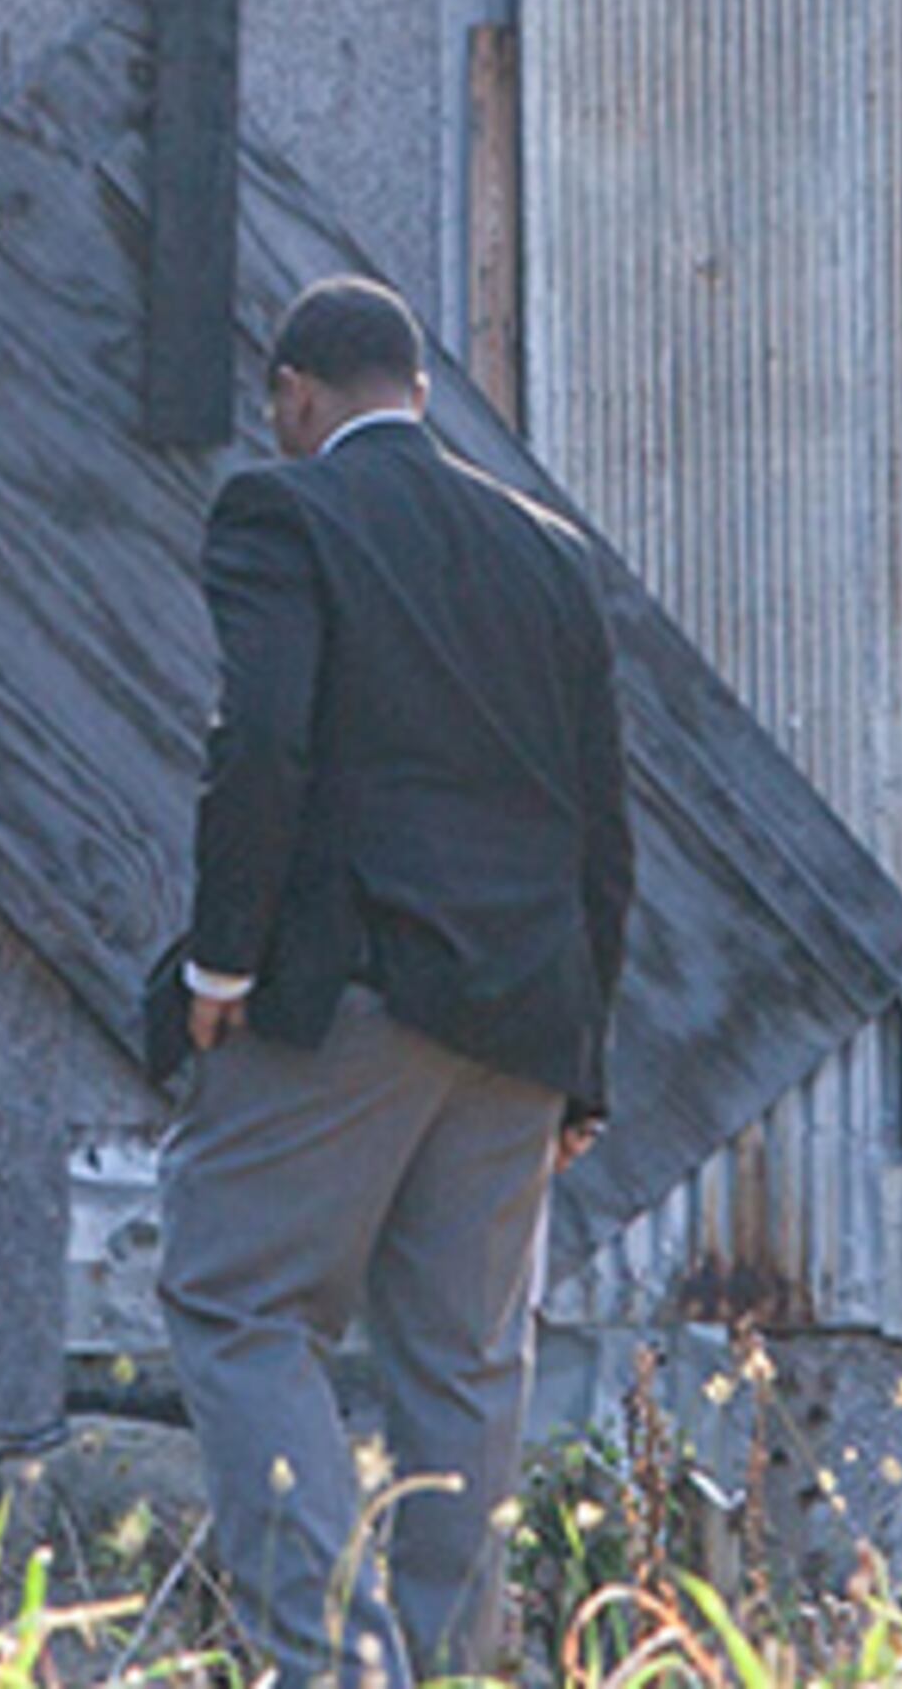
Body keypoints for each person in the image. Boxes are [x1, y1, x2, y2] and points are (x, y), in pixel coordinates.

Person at [149, 273, 636, 1685]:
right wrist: (584, 1064)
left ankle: (336, 1666)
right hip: (524, 1019)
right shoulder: (549, 550)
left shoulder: (282, 509)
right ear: (420, 390)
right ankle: (446, 1663)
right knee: (466, 1367)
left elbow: (261, 743)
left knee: (241, 1307)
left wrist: (222, 958)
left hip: (348, 994)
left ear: (294, 395)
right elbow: (603, 826)